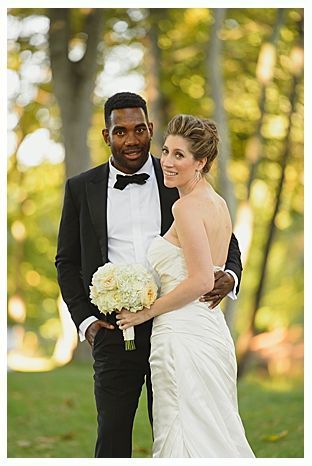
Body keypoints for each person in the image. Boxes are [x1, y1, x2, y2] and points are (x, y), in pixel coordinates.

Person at [54, 92, 242, 457]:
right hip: (114, 329)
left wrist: (229, 276)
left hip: (176, 325)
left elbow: (225, 238)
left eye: (140, 129)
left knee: (178, 426)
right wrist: (87, 321)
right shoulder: (80, 188)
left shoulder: (177, 176)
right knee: (112, 434)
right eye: (121, 132)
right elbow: (66, 261)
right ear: (106, 136)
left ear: (151, 129)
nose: (132, 139)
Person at [116, 114, 254, 457]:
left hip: (182, 336)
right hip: (210, 330)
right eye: (165, 151)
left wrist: (144, 313)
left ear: (200, 162)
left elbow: (201, 280)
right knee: (214, 430)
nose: (167, 161)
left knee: (183, 432)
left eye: (179, 155)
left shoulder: (187, 207)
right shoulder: (218, 203)